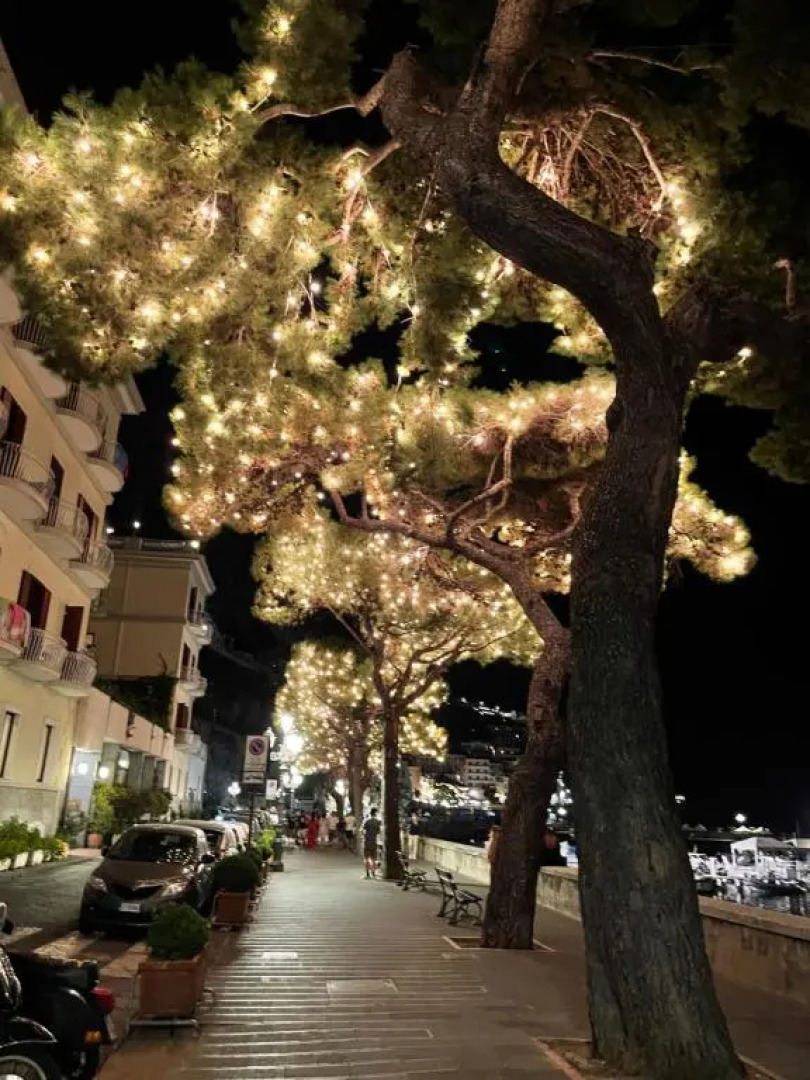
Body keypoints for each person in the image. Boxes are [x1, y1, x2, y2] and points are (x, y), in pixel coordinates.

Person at [362, 808, 382, 878]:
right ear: (376, 814)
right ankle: (373, 873)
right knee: (374, 858)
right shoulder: (378, 822)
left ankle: (367, 874)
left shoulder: (366, 821)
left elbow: (363, 831)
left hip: (367, 842)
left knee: (367, 858)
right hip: (374, 842)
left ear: (370, 813)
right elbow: (379, 832)